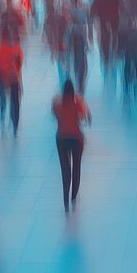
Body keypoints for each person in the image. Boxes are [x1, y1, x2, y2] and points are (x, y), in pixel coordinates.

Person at [52, 79, 91, 212]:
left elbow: (55, 115)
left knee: (65, 169)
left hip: (61, 138)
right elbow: (84, 116)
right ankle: (74, 195)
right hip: (76, 138)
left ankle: (65, 198)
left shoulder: (57, 104)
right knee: (76, 167)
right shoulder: (78, 102)